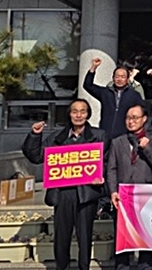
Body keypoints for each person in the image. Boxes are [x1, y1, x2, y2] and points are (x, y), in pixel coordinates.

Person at [22, 99, 106, 270]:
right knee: (61, 237)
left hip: (86, 193)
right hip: (62, 193)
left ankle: (84, 267)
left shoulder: (99, 135)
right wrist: (35, 135)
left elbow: (107, 160)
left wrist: (100, 177)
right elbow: (35, 156)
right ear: (69, 114)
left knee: (85, 236)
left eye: (82, 111)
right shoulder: (57, 137)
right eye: (75, 111)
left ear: (88, 114)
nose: (78, 115)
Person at [107, 104, 152, 270]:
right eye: (128, 118)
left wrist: (146, 149)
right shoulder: (117, 142)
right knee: (123, 234)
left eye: (135, 118)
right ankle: (122, 265)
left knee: (145, 234)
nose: (131, 121)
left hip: (146, 194)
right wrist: (113, 191)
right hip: (124, 194)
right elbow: (111, 169)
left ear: (144, 119)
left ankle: (145, 265)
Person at [83, 58, 144, 140]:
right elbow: (88, 85)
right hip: (105, 134)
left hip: (124, 136)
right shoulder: (105, 92)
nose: (119, 79)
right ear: (113, 78)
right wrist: (93, 68)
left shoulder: (134, 95)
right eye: (117, 77)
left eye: (123, 77)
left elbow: (143, 113)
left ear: (127, 79)